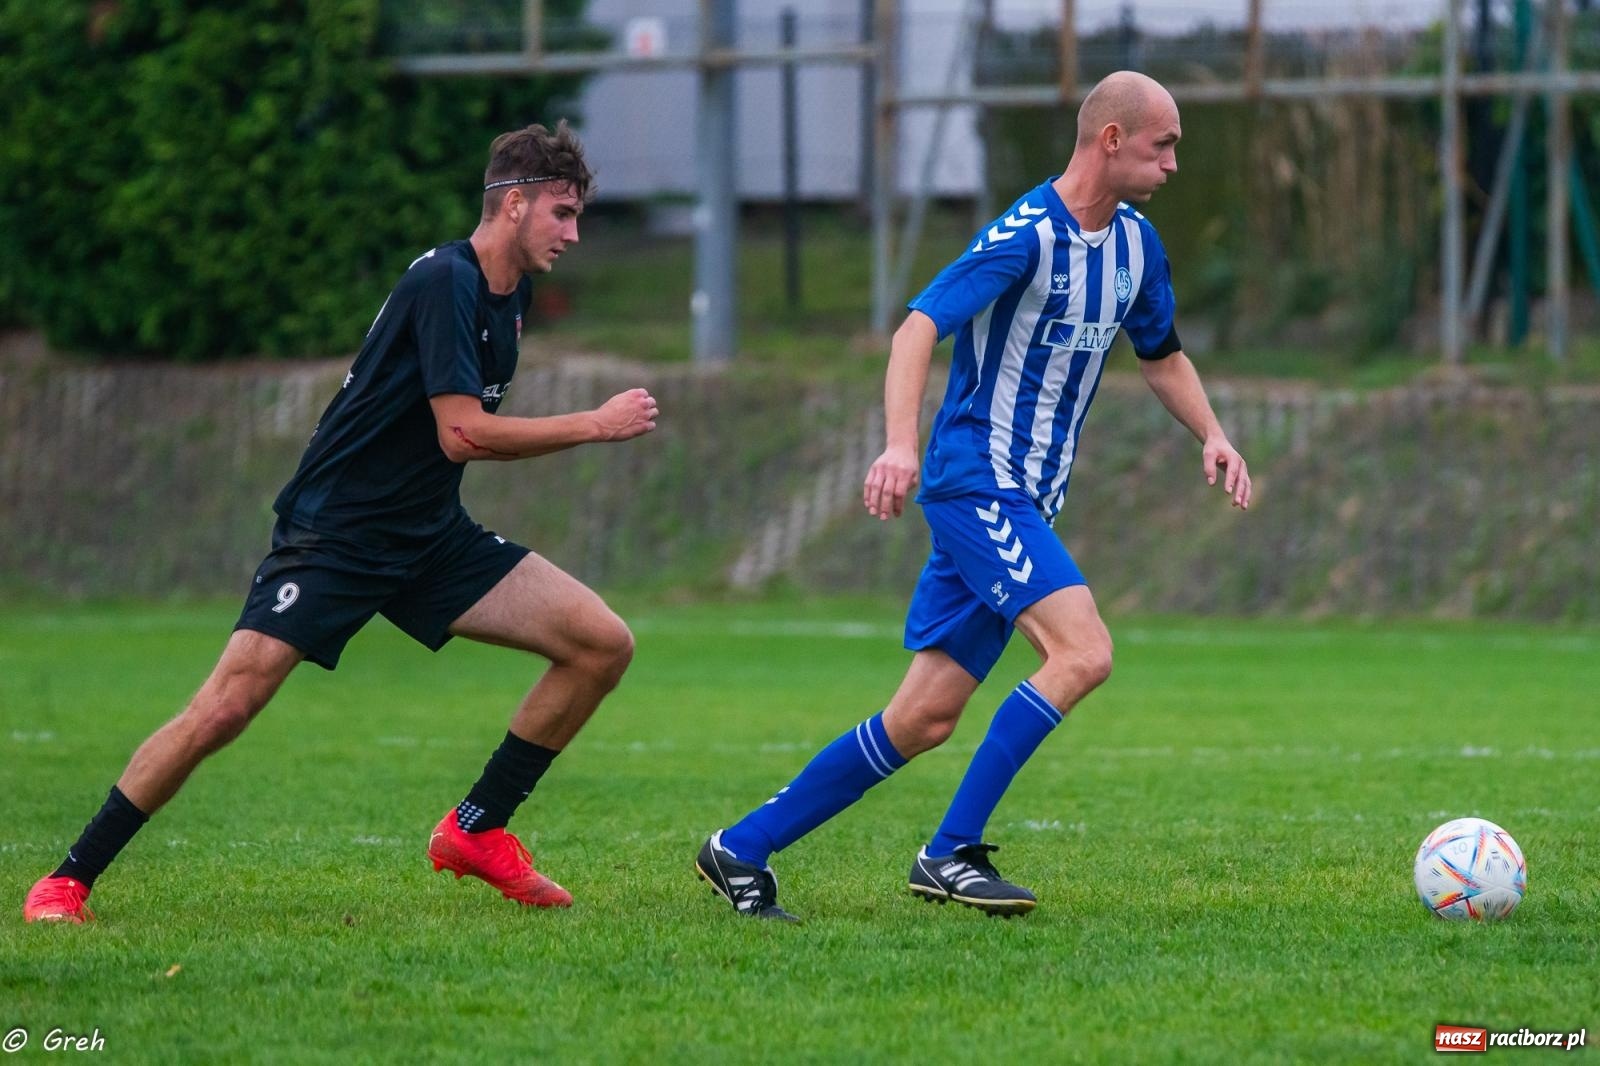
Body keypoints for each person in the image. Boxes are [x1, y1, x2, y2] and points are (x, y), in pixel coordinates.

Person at [24, 121, 660, 923]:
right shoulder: (445, 281)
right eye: (562, 213)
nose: (572, 233)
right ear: (514, 203)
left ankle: (476, 829)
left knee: (601, 643)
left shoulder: (511, 295)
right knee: (225, 707)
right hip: (338, 535)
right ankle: (67, 880)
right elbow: (460, 432)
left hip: (427, 535)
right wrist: (594, 424)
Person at [696, 72, 1251, 921]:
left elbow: (1162, 353)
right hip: (978, 480)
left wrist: (1211, 432)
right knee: (1083, 652)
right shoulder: (1024, 236)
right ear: (1110, 139)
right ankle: (950, 853)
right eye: (1162, 143)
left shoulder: (1138, 247)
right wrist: (898, 444)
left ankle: (740, 848)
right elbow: (918, 326)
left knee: (923, 717)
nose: (1174, 162)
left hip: (1029, 496)